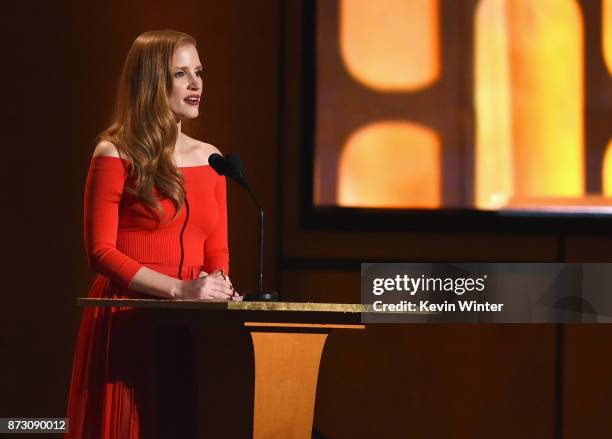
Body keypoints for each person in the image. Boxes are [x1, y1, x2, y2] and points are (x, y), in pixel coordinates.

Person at [65, 30, 240, 438]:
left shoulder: (212, 158)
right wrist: (178, 290)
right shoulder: (114, 153)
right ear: (151, 82)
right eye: (181, 74)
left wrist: (219, 289)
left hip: (193, 325)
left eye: (198, 71)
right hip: (131, 317)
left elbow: (218, 248)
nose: (196, 83)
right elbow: (100, 252)